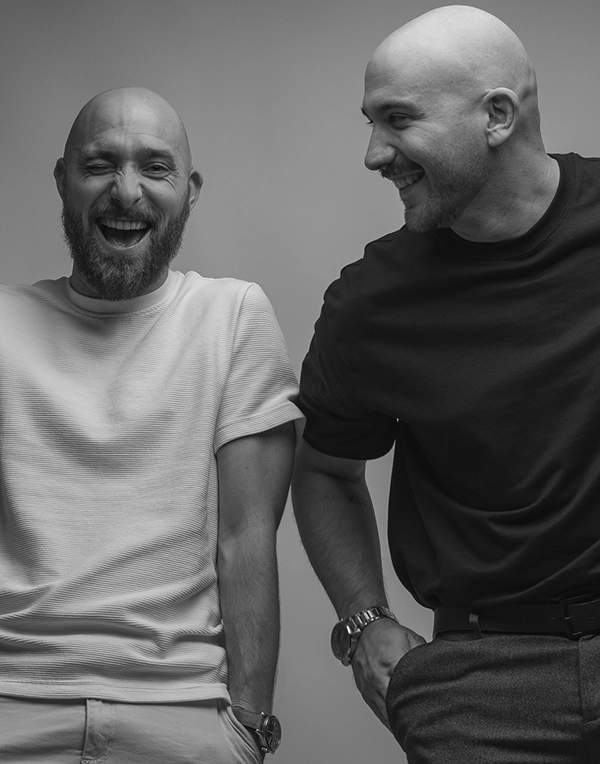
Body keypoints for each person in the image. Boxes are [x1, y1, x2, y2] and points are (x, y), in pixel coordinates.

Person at [292, 5, 600, 762]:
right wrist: (364, 623)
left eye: (398, 119)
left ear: (497, 116)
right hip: (481, 688)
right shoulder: (371, 303)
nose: (374, 154)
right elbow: (325, 470)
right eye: (371, 123)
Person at [0, 86, 301, 763]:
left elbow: (247, 536)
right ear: (63, 180)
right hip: (11, 700)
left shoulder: (231, 316)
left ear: (190, 190)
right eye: (100, 164)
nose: (127, 191)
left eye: (155, 167)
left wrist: (250, 727)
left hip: (179, 714)